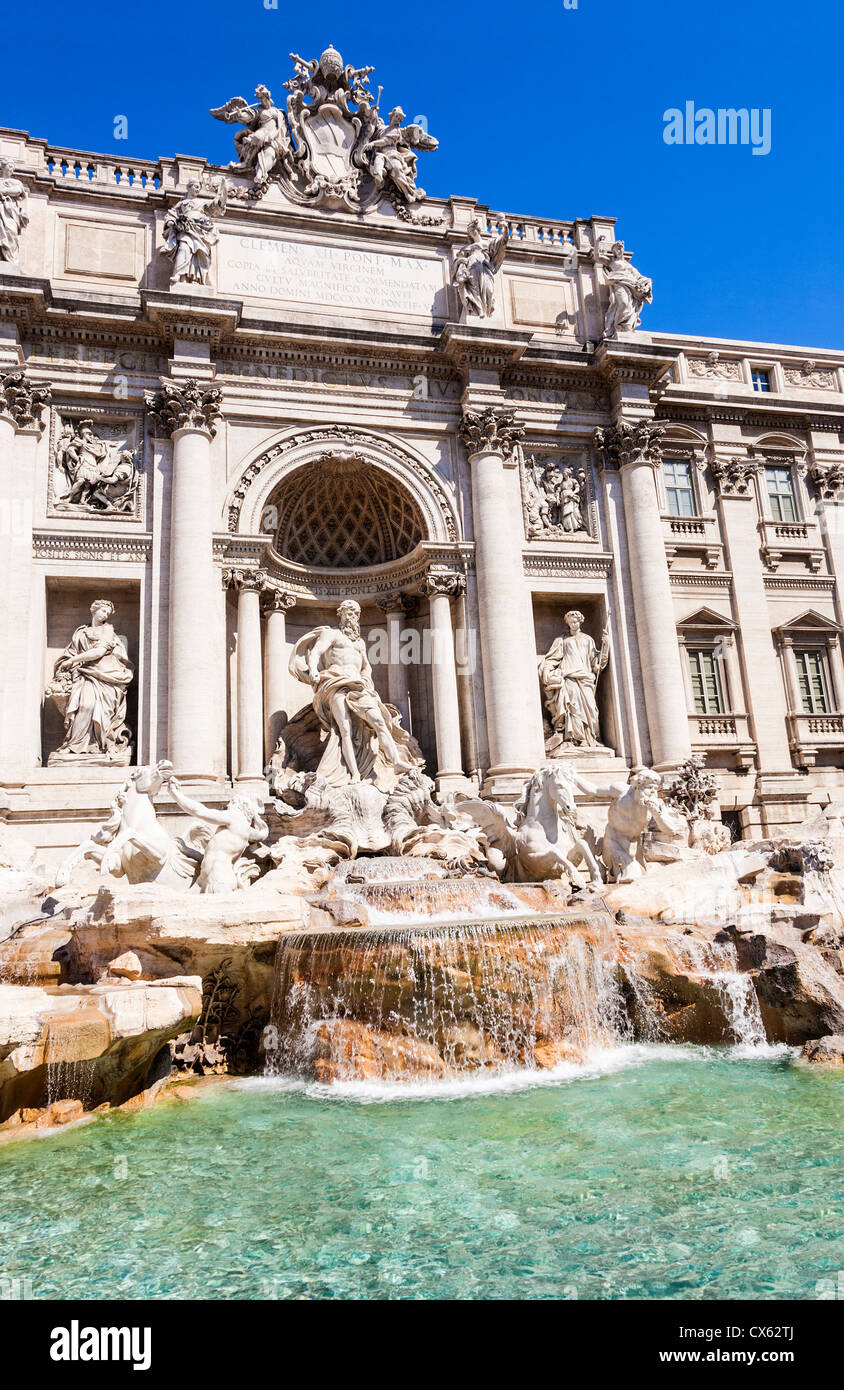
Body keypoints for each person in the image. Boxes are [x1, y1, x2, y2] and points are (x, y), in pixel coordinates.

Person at [289, 600, 420, 785]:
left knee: (380, 721)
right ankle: (354, 774)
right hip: (335, 683)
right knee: (345, 730)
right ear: (340, 615)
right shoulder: (331, 634)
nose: (352, 617)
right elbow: (316, 653)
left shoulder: (359, 643)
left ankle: (397, 761)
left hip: (358, 686)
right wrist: (313, 670)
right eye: (349, 613)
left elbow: (366, 666)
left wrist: (367, 681)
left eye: (355, 613)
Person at [49, 600, 133, 761]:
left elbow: (99, 651)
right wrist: (67, 664)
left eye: (108, 613)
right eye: (103, 611)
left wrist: (73, 661)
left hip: (107, 675)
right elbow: (70, 652)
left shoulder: (108, 630)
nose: (105, 615)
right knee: (85, 706)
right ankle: (74, 745)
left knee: (98, 710)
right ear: (94, 611)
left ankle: (98, 745)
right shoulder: (80, 632)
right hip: (83, 674)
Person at [538, 610, 609, 747]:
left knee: (591, 709)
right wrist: (547, 670)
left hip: (585, 678)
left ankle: (591, 739)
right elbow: (552, 658)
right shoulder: (561, 640)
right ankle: (577, 740)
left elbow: (597, 664)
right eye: (570, 622)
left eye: (575, 621)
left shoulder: (588, 640)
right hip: (569, 677)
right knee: (573, 708)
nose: (573, 624)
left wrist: (605, 646)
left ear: (580, 621)